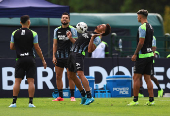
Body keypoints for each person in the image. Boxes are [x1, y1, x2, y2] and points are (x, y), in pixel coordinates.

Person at [67, 23, 111, 105]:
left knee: (80, 74)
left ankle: (89, 96)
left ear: (103, 31)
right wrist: (70, 38)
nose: (100, 25)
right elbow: (77, 43)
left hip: (78, 55)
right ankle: (83, 95)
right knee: (71, 75)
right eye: (101, 24)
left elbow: (90, 50)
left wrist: (92, 38)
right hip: (72, 54)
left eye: (102, 26)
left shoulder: (97, 38)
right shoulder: (90, 32)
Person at [9, 15, 47, 108]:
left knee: (17, 81)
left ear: (20, 22)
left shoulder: (14, 33)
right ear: (29, 22)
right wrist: (43, 60)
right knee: (31, 81)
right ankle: (30, 103)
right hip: (30, 59)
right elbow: (37, 47)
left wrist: (19, 48)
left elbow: (11, 47)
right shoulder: (33, 33)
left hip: (20, 59)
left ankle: (14, 103)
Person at [128, 9, 155, 106]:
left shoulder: (142, 27)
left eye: (137, 16)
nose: (137, 18)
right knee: (148, 78)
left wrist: (135, 54)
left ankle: (135, 100)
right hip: (150, 54)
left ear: (140, 16)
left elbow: (141, 42)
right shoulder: (151, 26)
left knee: (136, 77)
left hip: (142, 55)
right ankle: (151, 100)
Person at [52, 12, 78, 101]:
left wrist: (70, 38)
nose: (64, 19)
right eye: (63, 17)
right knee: (58, 76)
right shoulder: (56, 30)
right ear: (60, 19)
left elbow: (76, 43)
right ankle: (60, 96)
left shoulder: (73, 30)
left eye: (66, 18)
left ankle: (72, 96)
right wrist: (53, 56)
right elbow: (55, 44)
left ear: (69, 20)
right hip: (59, 57)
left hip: (70, 57)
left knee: (70, 76)